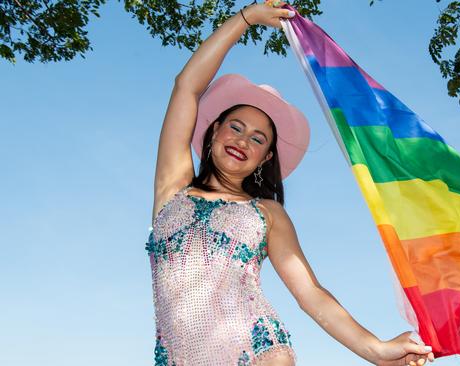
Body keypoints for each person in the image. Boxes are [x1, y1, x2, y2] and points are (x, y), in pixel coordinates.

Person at [145, 1, 436, 365]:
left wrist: (376, 350)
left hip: (256, 352)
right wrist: (246, 18)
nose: (242, 141)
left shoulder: (267, 214)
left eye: (257, 138)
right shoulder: (173, 188)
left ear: (265, 158)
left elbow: (310, 293)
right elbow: (186, 87)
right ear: (214, 130)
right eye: (235, 127)